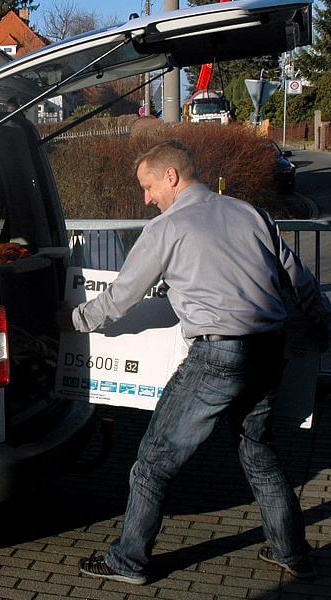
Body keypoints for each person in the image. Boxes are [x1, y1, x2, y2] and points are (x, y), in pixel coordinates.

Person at [60, 140, 331, 585]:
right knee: (258, 453)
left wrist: (72, 320)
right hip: (269, 349)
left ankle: (128, 561)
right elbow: (298, 278)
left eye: (148, 186)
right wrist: (323, 326)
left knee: (153, 461)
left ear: (170, 176)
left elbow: (121, 297)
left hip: (218, 355)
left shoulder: (167, 228)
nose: (147, 199)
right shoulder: (250, 213)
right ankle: (291, 552)